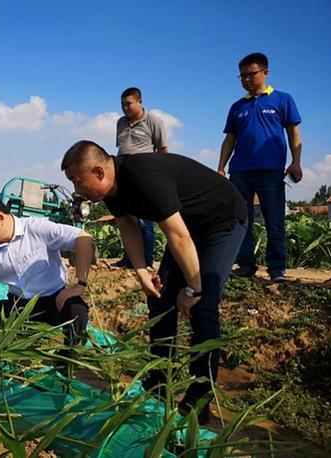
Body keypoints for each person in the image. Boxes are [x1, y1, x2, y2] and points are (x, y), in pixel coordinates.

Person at [61, 140, 247, 424]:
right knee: (160, 296)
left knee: (204, 305)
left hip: (222, 220)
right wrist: (141, 271)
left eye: (77, 180)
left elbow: (178, 237)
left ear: (98, 172)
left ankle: (200, 398)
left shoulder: (144, 178)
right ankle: (161, 380)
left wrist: (193, 289)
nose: (76, 189)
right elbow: (128, 228)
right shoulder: (112, 191)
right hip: (189, 227)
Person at [218, 52, 302, 283]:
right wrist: (220, 167)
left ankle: (277, 269)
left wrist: (296, 162)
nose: (246, 79)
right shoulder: (237, 107)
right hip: (240, 172)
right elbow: (229, 139)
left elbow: (294, 132)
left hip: (271, 172)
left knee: (274, 220)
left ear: (265, 72)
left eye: (251, 74)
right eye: (242, 75)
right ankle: (246, 265)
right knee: (241, 219)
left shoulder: (282, 100)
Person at [0, 197, 93, 350]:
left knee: (77, 310)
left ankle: (67, 360)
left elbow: (83, 238)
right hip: (19, 305)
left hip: (53, 300)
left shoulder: (36, 228)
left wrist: (80, 284)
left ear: (0, 218)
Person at [114, 87, 169, 269]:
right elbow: (122, 148)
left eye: (128, 104)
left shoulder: (154, 121)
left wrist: (160, 176)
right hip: (123, 175)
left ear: (140, 102)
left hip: (144, 176)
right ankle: (129, 258)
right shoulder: (121, 122)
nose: (125, 108)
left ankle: (145, 261)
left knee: (145, 221)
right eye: (122, 104)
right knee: (126, 220)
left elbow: (163, 151)